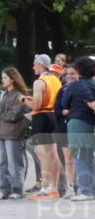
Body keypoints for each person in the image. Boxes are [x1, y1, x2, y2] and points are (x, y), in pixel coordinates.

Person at [0, 68, 31, 200]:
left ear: (13, 79)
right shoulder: (2, 95)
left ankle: (17, 190)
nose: (2, 80)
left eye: (5, 78)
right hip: (0, 133)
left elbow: (13, 116)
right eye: (2, 78)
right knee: (0, 163)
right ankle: (4, 190)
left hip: (13, 134)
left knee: (14, 163)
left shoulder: (19, 96)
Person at [26, 54, 62, 200]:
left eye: (35, 63)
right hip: (54, 116)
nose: (33, 66)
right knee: (53, 154)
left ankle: (45, 187)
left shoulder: (39, 82)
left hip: (41, 117)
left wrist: (24, 100)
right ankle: (55, 187)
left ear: (41, 65)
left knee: (42, 154)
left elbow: (37, 104)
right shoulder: (55, 79)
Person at [61, 57, 95, 201]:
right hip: (90, 122)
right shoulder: (93, 85)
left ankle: (85, 191)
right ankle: (92, 190)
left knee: (79, 156)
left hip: (77, 122)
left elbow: (64, 102)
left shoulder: (75, 85)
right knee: (88, 157)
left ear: (79, 70)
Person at [53, 65, 78, 198]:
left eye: (73, 73)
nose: (69, 76)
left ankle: (86, 184)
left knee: (82, 157)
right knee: (68, 159)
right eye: (67, 74)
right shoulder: (62, 90)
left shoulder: (84, 89)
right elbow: (56, 110)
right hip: (64, 128)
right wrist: (64, 112)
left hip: (81, 127)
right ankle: (71, 187)